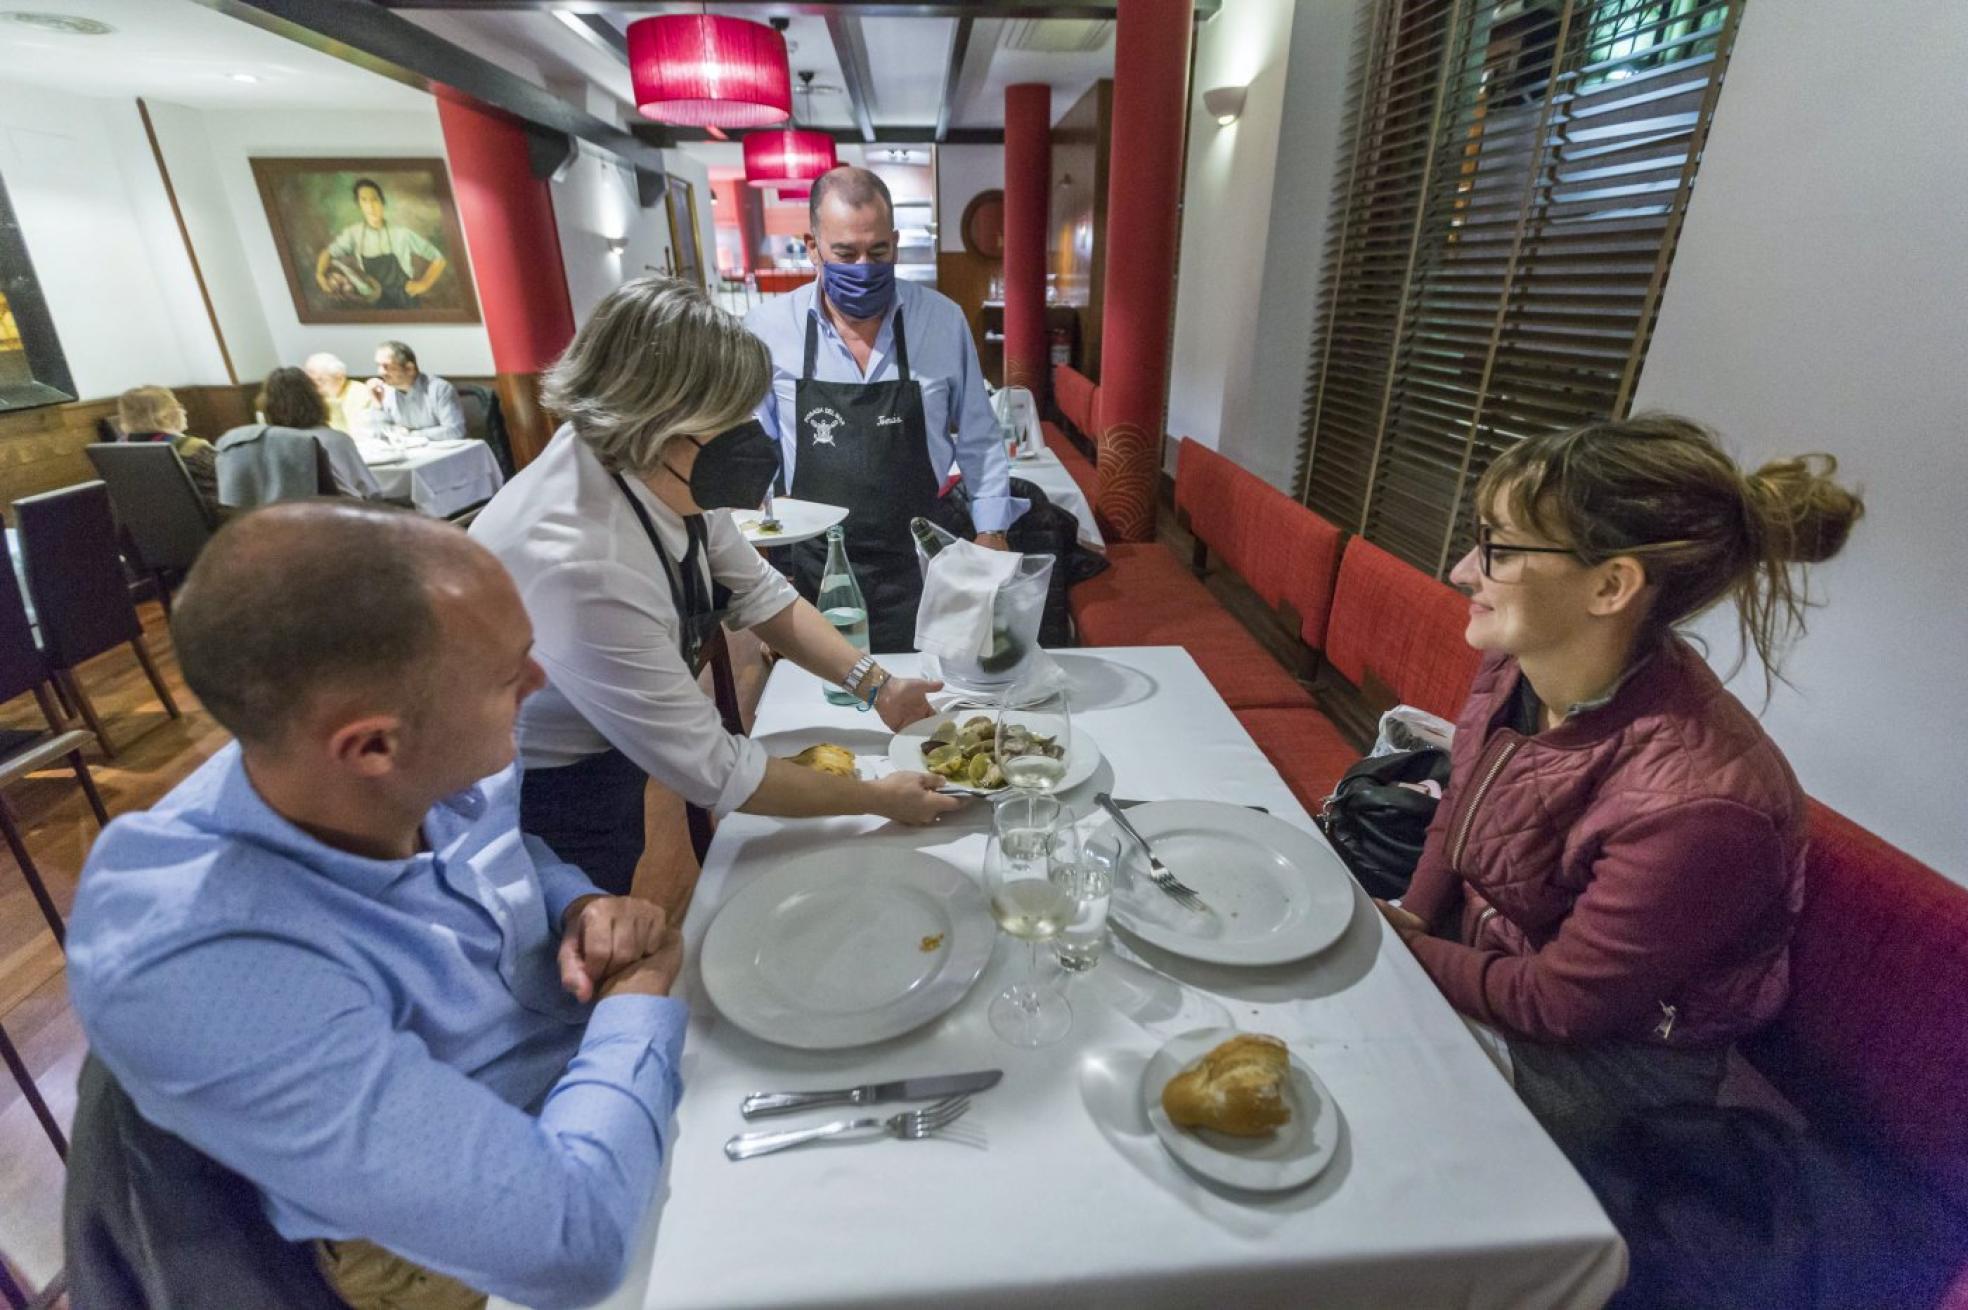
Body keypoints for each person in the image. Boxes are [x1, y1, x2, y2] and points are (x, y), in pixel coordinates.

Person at [64, 503, 686, 1310]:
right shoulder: (199, 955)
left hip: (586, 1077)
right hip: (437, 1240)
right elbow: (571, 1244)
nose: (540, 683)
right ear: (371, 747)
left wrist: (582, 908)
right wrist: (633, 1009)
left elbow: (505, 853)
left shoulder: (395, 760)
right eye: (510, 677)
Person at [1375, 415, 1865, 1143]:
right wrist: (1410, 916)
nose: (1462, 570)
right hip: (1494, 957)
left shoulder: (1704, 806)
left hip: (1614, 1068)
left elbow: (1562, 1006)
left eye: (1497, 549)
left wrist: (1386, 946)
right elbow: (1465, 801)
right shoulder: (1522, 660)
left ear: (1610, 585)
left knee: (1353, 1087)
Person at [471, 276, 958, 897]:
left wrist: (878, 687)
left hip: (608, 740)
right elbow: (716, 772)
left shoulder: (651, 462)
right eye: (729, 426)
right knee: (579, 921)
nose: (748, 442)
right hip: (538, 788)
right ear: (659, 424)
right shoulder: (580, 560)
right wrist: (876, 798)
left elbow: (759, 592)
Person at [745, 166, 1027, 653]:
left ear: (895, 243)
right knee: (823, 708)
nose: (863, 267)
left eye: (878, 252)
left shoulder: (941, 321)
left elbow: (979, 439)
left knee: (928, 704)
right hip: (817, 564)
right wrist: (767, 558)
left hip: (922, 559)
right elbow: (755, 448)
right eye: (845, 254)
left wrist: (992, 529)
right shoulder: (770, 329)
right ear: (812, 246)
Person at [217, 366, 383, 501]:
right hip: (333, 525)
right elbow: (371, 492)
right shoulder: (335, 440)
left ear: (266, 404)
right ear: (315, 399)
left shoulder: (250, 442)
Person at [314, 177, 449, 311]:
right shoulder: (353, 234)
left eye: (374, 200)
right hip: (374, 302)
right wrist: (320, 275)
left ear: (382, 202)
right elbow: (328, 253)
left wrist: (424, 284)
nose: (370, 206)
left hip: (405, 302)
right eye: (364, 200)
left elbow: (438, 259)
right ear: (359, 204)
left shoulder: (402, 233)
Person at [115, 384, 220, 512]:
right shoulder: (192, 448)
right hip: (218, 523)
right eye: (178, 406)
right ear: (165, 415)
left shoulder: (118, 449)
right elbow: (234, 482)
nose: (183, 411)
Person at [371, 339, 467, 444]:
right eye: (378, 366)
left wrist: (411, 434)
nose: (380, 372)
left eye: (386, 367)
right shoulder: (385, 391)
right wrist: (377, 405)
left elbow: (455, 430)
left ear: (409, 368)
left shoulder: (438, 389)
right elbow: (377, 435)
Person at [304, 350, 379, 436]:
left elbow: (358, 433)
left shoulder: (361, 394)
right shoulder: (309, 395)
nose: (314, 386)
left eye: (320, 380)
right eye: (309, 381)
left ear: (340, 377)